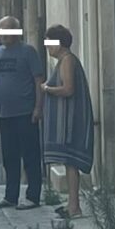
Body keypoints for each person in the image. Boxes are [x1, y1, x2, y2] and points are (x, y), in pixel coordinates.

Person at [0, 16, 46, 211]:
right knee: (9, 157)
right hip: (5, 114)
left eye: (7, 30)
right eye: (1, 31)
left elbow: (38, 81)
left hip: (25, 112)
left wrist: (38, 107)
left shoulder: (28, 52)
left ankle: (33, 196)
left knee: (30, 156)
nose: (3, 35)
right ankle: (10, 196)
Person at [41, 24, 94, 218]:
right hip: (69, 121)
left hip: (72, 122)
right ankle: (72, 205)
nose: (47, 47)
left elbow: (68, 89)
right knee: (69, 164)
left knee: (71, 163)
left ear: (59, 43)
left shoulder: (67, 61)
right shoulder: (65, 60)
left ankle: (74, 207)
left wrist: (47, 88)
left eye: (49, 42)